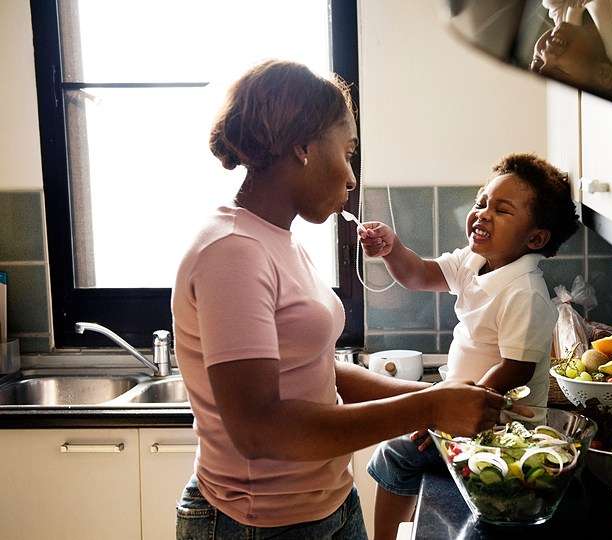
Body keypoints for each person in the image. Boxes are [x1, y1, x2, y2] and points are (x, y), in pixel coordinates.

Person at [171, 59, 514, 540]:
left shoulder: (278, 239)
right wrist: (430, 409)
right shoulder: (232, 251)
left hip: (328, 503)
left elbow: (318, 368)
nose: (351, 177)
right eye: (347, 152)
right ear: (302, 147)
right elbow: (258, 429)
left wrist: (437, 399)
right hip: (258, 524)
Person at [358, 153, 579, 540]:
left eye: (502, 210)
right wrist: (392, 249)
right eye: (481, 202)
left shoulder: (524, 291)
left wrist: (447, 412)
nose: (482, 214)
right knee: (398, 445)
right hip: (460, 411)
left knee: (394, 454)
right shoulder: (475, 261)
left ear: (536, 238)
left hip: (497, 428)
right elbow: (419, 274)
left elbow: (515, 370)